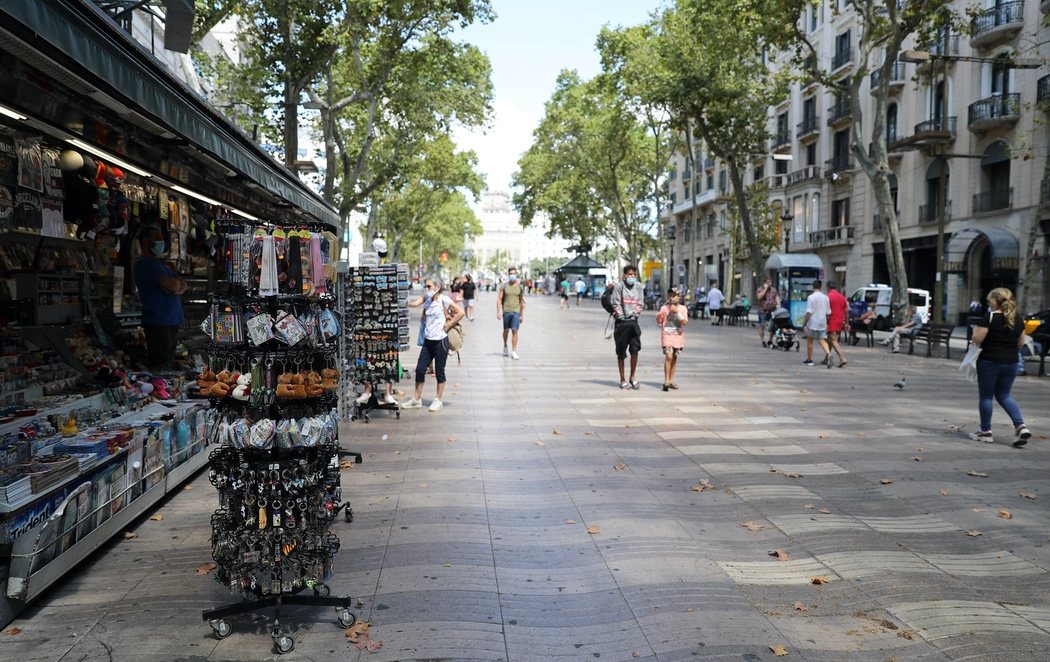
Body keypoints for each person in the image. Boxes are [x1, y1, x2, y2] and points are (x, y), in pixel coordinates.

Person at [968, 287, 1032, 447]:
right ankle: (1020, 426)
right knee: (1004, 395)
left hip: (989, 361)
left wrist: (975, 331)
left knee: (986, 397)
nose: (989, 303)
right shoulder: (1017, 319)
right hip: (1011, 362)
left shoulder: (989, 317)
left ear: (996, 301)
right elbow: (1021, 343)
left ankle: (985, 431)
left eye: (990, 300)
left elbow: (977, 339)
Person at [403, 278, 463, 411]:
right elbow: (415, 304)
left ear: (437, 287)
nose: (427, 289)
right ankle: (417, 399)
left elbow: (460, 312)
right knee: (420, 369)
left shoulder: (444, 299)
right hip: (428, 340)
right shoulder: (427, 298)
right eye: (426, 286)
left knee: (439, 371)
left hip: (441, 340)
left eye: (429, 286)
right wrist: (401, 301)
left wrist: (448, 325)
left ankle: (438, 400)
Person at [133, 225, 186, 371]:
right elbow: (175, 286)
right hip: (157, 321)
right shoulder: (144, 265)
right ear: (145, 241)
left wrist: (174, 286)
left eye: (161, 237)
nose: (161, 241)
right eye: (157, 238)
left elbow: (182, 286)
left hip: (171, 320)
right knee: (160, 364)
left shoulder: (163, 265)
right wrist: (174, 286)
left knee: (167, 361)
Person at [611, 265, 645, 389]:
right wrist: (621, 316)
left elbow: (640, 302)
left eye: (634, 274)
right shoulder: (619, 286)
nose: (632, 277)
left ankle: (632, 377)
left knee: (635, 350)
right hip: (621, 323)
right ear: (625, 275)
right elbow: (615, 302)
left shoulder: (639, 287)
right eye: (630, 274)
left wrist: (635, 314)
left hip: (633, 322)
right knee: (621, 352)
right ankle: (622, 378)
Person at [656, 287, 688, 391]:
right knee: (668, 356)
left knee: (674, 358)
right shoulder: (664, 308)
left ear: (679, 297)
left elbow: (685, 322)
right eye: (670, 295)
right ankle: (666, 381)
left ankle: (671, 380)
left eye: (673, 295)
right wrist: (658, 317)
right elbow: (660, 322)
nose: (671, 298)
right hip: (667, 335)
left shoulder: (683, 309)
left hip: (678, 336)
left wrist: (677, 313)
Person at [497, 266, 526, 359]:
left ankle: (514, 351)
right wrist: (498, 311)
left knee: (515, 330)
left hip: (516, 312)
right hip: (506, 311)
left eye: (514, 273)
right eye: (511, 274)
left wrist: (522, 315)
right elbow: (499, 299)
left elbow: (521, 301)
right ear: (508, 274)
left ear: (516, 274)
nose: (512, 275)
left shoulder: (520, 287)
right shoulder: (504, 286)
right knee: (506, 330)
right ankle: (505, 345)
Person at [801, 279, 832, 367]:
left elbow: (809, 312)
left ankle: (810, 360)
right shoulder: (826, 297)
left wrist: (804, 323)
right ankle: (829, 354)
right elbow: (828, 313)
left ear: (813, 286)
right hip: (823, 322)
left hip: (813, 322)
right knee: (822, 340)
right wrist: (827, 323)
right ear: (821, 287)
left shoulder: (811, 297)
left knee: (810, 341)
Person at [825, 281, 848, 367]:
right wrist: (846, 323)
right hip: (840, 322)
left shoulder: (828, 297)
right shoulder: (842, 297)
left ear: (828, 288)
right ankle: (827, 357)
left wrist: (826, 322)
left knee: (834, 341)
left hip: (832, 321)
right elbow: (846, 311)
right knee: (830, 340)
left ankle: (842, 358)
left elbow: (826, 311)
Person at [756, 277, 780, 347]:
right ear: (764, 283)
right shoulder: (760, 289)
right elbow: (759, 297)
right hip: (762, 310)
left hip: (772, 310)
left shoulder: (773, 290)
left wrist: (778, 304)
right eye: (768, 282)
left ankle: (770, 340)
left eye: (770, 282)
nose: (769, 284)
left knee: (774, 325)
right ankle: (762, 340)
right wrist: (766, 289)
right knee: (762, 325)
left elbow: (776, 297)